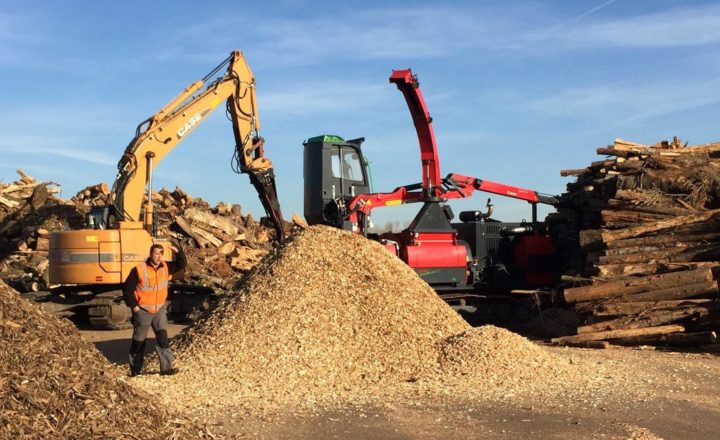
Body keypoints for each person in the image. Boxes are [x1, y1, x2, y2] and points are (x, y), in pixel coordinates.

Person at [123, 242, 186, 377]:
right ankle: (135, 370)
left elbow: (182, 265)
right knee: (138, 341)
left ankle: (166, 368)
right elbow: (127, 290)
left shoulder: (165, 267)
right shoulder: (139, 269)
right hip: (143, 312)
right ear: (150, 254)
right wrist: (135, 308)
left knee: (163, 339)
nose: (158, 256)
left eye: (160, 254)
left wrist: (178, 252)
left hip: (159, 311)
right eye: (156, 253)